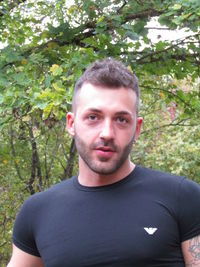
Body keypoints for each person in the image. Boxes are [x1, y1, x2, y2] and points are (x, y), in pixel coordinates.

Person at [7, 58, 200, 267]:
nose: (107, 133)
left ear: (137, 128)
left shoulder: (183, 197)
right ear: (71, 123)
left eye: (121, 120)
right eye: (93, 117)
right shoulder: (37, 212)